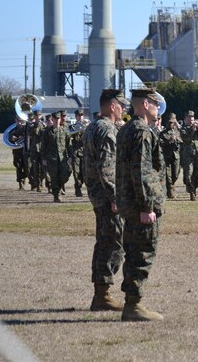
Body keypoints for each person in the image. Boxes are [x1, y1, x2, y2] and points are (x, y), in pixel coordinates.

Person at [116, 88, 165, 321]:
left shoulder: (126, 129)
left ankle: (132, 303)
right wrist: (147, 207)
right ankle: (134, 305)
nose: (158, 108)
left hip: (129, 202)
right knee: (142, 253)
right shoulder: (141, 132)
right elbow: (142, 172)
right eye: (156, 104)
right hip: (140, 205)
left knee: (133, 251)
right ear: (146, 104)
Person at [83, 89, 129, 312]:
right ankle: (103, 294)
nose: (123, 109)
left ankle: (101, 293)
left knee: (104, 241)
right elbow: (106, 168)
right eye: (121, 105)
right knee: (113, 243)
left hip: (97, 194)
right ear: (112, 106)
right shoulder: (106, 130)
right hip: (106, 196)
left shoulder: (93, 126)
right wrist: (115, 197)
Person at [42, 110, 71, 202]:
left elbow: (68, 145)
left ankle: (59, 187)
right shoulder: (47, 132)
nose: (57, 120)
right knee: (54, 177)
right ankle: (56, 195)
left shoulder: (65, 131)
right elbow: (43, 146)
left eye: (58, 118)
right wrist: (44, 158)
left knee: (66, 173)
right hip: (52, 158)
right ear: (52, 119)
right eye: (55, 118)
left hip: (63, 158)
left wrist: (70, 156)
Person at [180, 110, 198, 200]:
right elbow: (185, 138)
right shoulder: (183, 129)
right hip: (188, 155)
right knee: (189, 174)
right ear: (185, 119)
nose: (191, 120)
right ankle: (192, 192)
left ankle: (194, 187)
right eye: (189, 118)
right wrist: (192, 130)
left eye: (192, 118)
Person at [159, 113, 182, 199]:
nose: (171, 124)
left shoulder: (177, 132)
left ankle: (171, 186)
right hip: (167, 156)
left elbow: (182, 141)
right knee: (168, 175)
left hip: (176, 155)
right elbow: (160, 143)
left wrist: (176, 139)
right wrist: (169, 141)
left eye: (173, 122)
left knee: (175, 174)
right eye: (170, 122)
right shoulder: (163, 133)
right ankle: (170, 190)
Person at [69, 109, 88, 197]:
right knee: (76, 172)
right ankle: (78, 189)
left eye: (81, 115)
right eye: (78, 115)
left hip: (85, 152)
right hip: (75, 152)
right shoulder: (72, 127)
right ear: (76, 117)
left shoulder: (87, 126)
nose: (80, 117)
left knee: (85, 172)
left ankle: (86, 189)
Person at [7, 116, 28, 190]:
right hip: (17, 152)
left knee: (27, 167)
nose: (19, 122)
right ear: (15, 120)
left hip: (26, 151)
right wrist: (11, 138)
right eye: (18, 120)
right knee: (18, 166)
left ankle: (24, 178)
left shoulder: (26, 129)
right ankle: (20, 183)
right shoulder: (12, 130)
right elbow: (9, 138)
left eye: (21, 120)